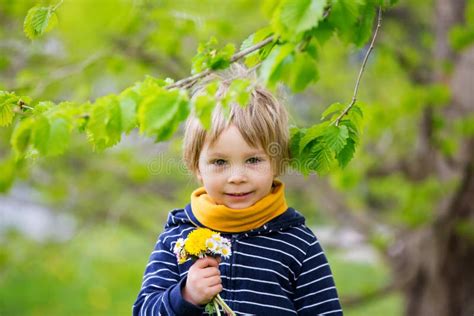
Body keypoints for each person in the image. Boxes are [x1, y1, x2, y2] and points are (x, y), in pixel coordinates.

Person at [132, 64, 343, 315]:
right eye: (220, 162)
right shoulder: (177, 239)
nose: (237, 177)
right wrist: (186, 296)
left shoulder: (298, 244)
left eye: (253, 160)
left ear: (277, 162)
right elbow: (144, 310)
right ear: (196, 167)